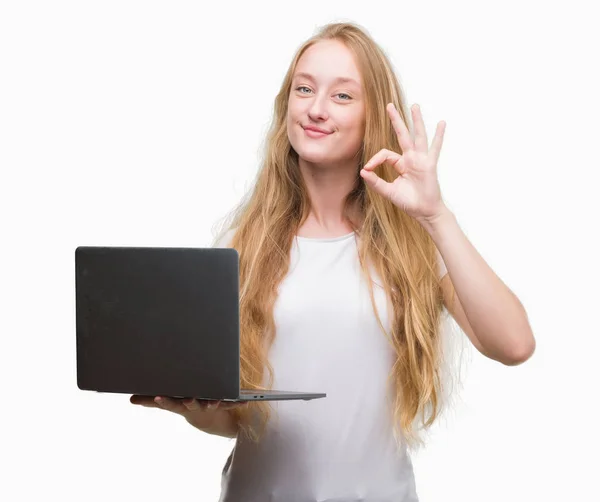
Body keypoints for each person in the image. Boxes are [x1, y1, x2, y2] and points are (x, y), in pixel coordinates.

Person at [131, 21, 536, 501]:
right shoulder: (247, 246)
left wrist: (436, 215)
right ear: (287, 105)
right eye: (304, 89)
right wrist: (193, 407)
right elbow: (235, 422)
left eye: (342, 96)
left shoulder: (414, 247)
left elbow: (513, 344)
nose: (316, 109)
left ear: (373, 118)